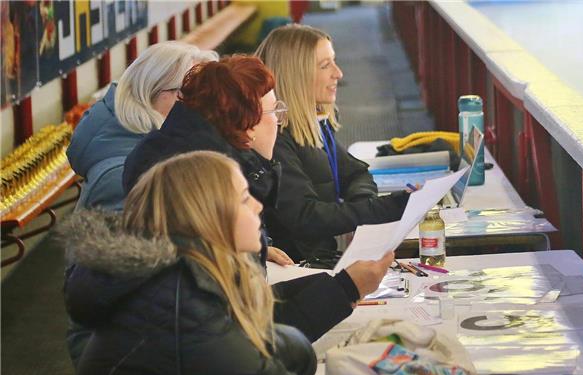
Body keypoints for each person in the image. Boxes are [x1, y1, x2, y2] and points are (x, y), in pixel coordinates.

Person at [122, 55, 392, 343]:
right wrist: (347, 288)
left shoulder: (203, 160)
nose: (279, 122)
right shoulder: (212, 182)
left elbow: (245, 306)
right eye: (274, 111)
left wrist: (339, 284)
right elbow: (249, 338)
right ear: (247, 125)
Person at [57, 151, 317, 375]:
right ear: (209, 216)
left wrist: (289, 350)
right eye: (245, 198)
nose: (258, 206)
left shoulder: (188, 274)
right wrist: (296, 351)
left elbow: (244, 360)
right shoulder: (171, 293)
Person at [255, 24, 410, 263]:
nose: (338, 74)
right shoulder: (276, 139)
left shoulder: (315, 123)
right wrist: (385, 208)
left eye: (333, 62)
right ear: (297, 75)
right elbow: (306, 216)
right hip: (301, 267)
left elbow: (356, 173)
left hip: (322, 257)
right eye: (325, 65)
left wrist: (363, 209)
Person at [67, 41, 218, 211]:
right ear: (152, 92)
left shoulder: (156, 149)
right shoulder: (123, 177)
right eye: (192, 93)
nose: (205, 106)